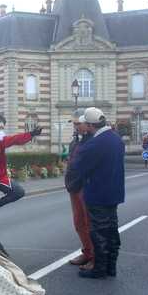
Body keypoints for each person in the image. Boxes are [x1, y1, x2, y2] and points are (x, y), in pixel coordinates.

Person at [72, 107, 125, 279]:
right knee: (111, 230)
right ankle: (111, 266)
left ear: (89, 125)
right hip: (114, 192)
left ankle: (100, 268)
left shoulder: (95, 143)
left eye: (84, 124)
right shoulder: (116, 139)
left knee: (98, 231)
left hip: (97, 192)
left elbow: (78, 166)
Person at [65, 112, 95, 270]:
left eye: (78, 124)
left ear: (87, 124)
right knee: (79, 222)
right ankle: (87, 252)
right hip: (74, 186)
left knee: (89, 222)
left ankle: (95, 257)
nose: (75, 126)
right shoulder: (75, 141)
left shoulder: (93, 140)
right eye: (74, 124)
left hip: (85, 186)